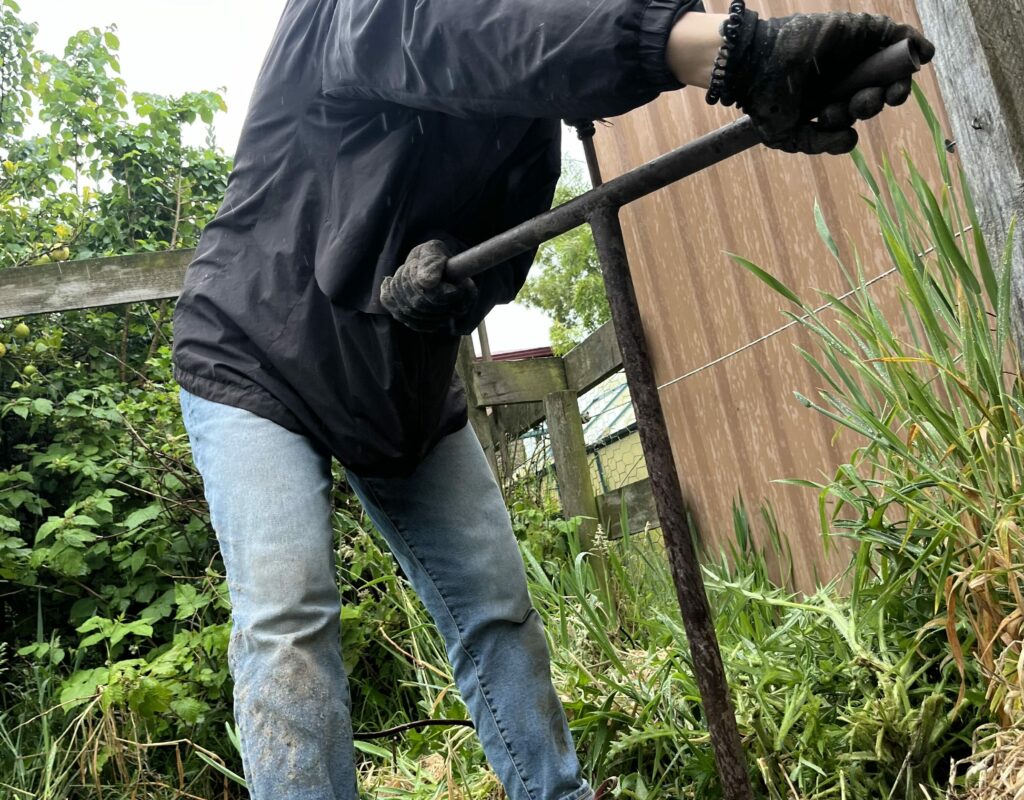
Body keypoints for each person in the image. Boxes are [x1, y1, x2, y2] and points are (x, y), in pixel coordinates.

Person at [171, 2, 934, 798]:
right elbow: (449, 39)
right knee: (289, 620)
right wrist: (732, 55)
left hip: (398, 385)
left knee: (496, 612)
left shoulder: (527, 134)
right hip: (257, 345)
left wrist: (449, 289)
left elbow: (505, 251)